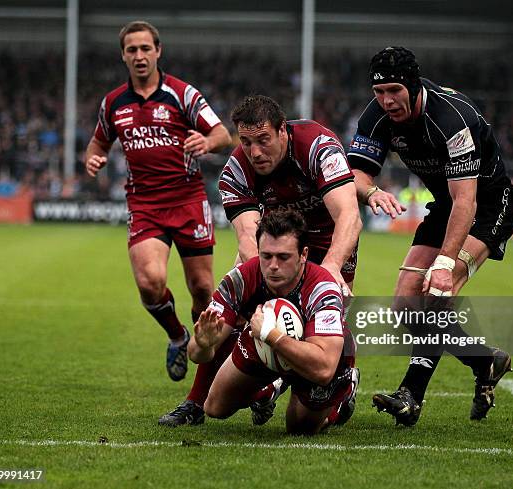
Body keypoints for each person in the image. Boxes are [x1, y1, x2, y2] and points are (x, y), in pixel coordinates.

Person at [159, 95, 361, 427]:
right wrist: (258, 290)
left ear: (283, 131)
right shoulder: (235, 171)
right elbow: (248, 238)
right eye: (247, 141)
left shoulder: (318, 146)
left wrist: (331, 269)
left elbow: (349, 216)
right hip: (275, 241)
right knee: (238, 305)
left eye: (263, 140)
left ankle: (340, 384)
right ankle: (198, 402)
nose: (255, 151)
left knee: (323, 324)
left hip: (329, 244)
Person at [347, 47, 513, 425]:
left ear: (412, 84)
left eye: (394, 90)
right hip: (446, 204)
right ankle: (485, 361)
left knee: (436, 291)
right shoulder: (377, 116)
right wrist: (372, 192)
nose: (387, 101)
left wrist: (444, 263)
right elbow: (356, 174)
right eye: (379, 92)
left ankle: (411, 396)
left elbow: (466, 200)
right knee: (405, 304)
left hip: (488, 204)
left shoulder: (451, 118)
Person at [85, 21, 231, 385]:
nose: (139, 56)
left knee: (201, 288)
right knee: (150, 282)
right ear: (123, 55)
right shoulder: (113, 103)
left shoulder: (182, 95)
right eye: (132, 50)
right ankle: (177, 336)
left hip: (187, 198)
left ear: (158, 51)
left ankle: (207, 353)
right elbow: (98, 143)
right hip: (145, 204)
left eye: (145, 49)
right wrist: (93, 158)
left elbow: (222, 134)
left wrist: (207, 144)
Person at [189, 209, 358, 435]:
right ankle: (269, 386)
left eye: (283, 257)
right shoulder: (240, 279)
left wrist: (271, 335)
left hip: (318, 351)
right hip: (262, 340)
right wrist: (204, 344)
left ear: (303, 254)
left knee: (300, 429)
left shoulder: (322, 288)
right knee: (215, 408)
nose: (273, 266)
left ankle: (341, 398)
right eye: (266, 256)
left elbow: (324, 367)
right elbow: (196, 355)